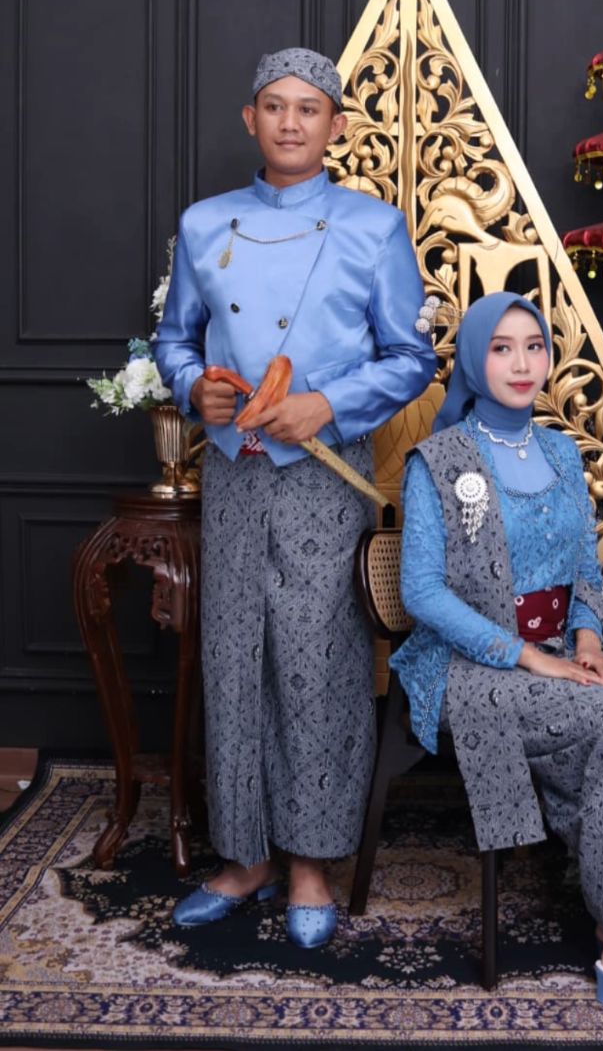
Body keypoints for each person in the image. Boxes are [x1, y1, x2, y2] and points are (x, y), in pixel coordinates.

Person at [154, 47, 436, 948]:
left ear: (335, 126)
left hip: (325, 470)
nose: (289, 122)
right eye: (273, 106)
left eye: (307, 108)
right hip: (235, 471)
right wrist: (194, 385)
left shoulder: (373, 227)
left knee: (319, 664)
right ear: (251, 119)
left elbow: (413, 358)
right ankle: (245, 856)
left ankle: (311, 859)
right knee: (234, 657)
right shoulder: (205, 222)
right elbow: (174, 340)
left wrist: (328, 403)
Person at [389, 291, 603, 1019]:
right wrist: (527, 655)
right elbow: (421, 592)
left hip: (557, 650)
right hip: (469, 667)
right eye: (502, 347)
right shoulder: (440, 461)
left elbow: (583, 569)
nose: (522, 363)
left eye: (535, 346)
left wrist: (585, 640)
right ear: (475, 360)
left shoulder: (560, 451)